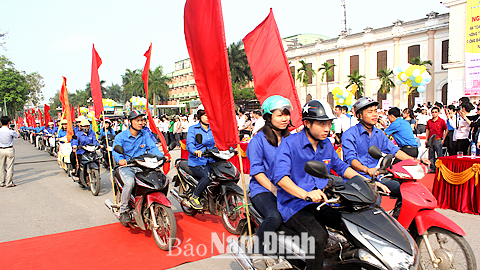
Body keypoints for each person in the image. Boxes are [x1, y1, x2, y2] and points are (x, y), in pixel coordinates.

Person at [273, 100, 388, 270]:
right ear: (307, 123)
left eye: (329, 123)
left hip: (324, 200)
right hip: (296, 204)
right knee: (318, 237)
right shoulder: (290, 144)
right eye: (321, 124)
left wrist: (367, 181)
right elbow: (281, 178)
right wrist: (305, 194)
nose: (327, 128)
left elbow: (341, 167)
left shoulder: (326, 143)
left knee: (354, 223)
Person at [342, 97, 426, 201]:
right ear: (359, 115)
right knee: (375, 199)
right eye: (370, 112)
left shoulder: (378, 133)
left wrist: (415, 161)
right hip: (357, 179)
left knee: (406, 191)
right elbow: (351, 159)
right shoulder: (349, 134)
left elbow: (394, 150)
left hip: (375, 177)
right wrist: (366, 169)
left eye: (375, 111)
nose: (375, 114)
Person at [246, 95, 291, 259]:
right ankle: (258, 252)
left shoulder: (291, 139)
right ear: (268, 117)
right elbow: (257, 172)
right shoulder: (257, 141)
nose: (285, 118)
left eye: (287, 114)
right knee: (275, 216)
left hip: (287, 187)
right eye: (280, 115)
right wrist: (274, 190)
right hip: (263, 188)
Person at [112, 110, 167, 223]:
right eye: (138, 120)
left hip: (143, 165)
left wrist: (161, 157)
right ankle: (124, 210)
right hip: (128, 166)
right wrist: (120, 160)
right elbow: (116, 151)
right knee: (130, 182)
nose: (141, 123)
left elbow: (153, 148)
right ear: (130, 122)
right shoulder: (121, 137)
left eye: (142, 120)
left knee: (161, 178)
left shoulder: (145, 134)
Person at [186, 105, 215, 209]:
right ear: (200, 115)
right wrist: (195, 151)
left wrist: (233, 147)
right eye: (205, 115)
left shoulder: (215, 129)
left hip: (213, 159)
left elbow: (221, 142)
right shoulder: (193, 129)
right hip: (198, 160)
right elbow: (189, 144)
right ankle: (194, 197)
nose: (207, 117)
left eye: (209, 115)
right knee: (207, 177)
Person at [426, 107, 447, 173]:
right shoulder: (429, 121)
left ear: (438, 113)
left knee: (439, 155)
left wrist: (443, 139)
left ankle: (440, 168)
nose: (434, 113)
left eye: (436, 112)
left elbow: (446, 129)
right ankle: (432, 168)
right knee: (431, 155)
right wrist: (426, 139)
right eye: (433, 112)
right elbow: (427, 130)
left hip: (438, 140)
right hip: (431, 140)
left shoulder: (441, 121)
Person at [0, 116, 19, 187]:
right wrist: (16, 129)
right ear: (8, 122)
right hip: (9, 149)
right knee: (9, 167)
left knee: (1, 166)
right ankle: (9, 183)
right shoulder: (10, 131)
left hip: (1, 150)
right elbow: (18, 136)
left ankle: (1, 182)